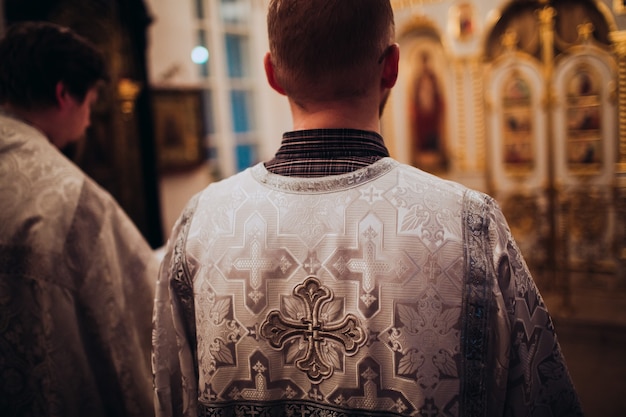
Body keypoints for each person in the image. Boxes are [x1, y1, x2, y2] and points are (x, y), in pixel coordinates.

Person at [152, 1, 583, 416]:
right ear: (392, 67)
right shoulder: (471, 226)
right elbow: (541, 397)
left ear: (273, 74)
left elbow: (172, 397)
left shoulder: (201, 222)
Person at [0, 22, 158, 417]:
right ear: (63, 94)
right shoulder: (74, 201)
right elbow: (138, 314)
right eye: (89, 104)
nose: (89, 121)